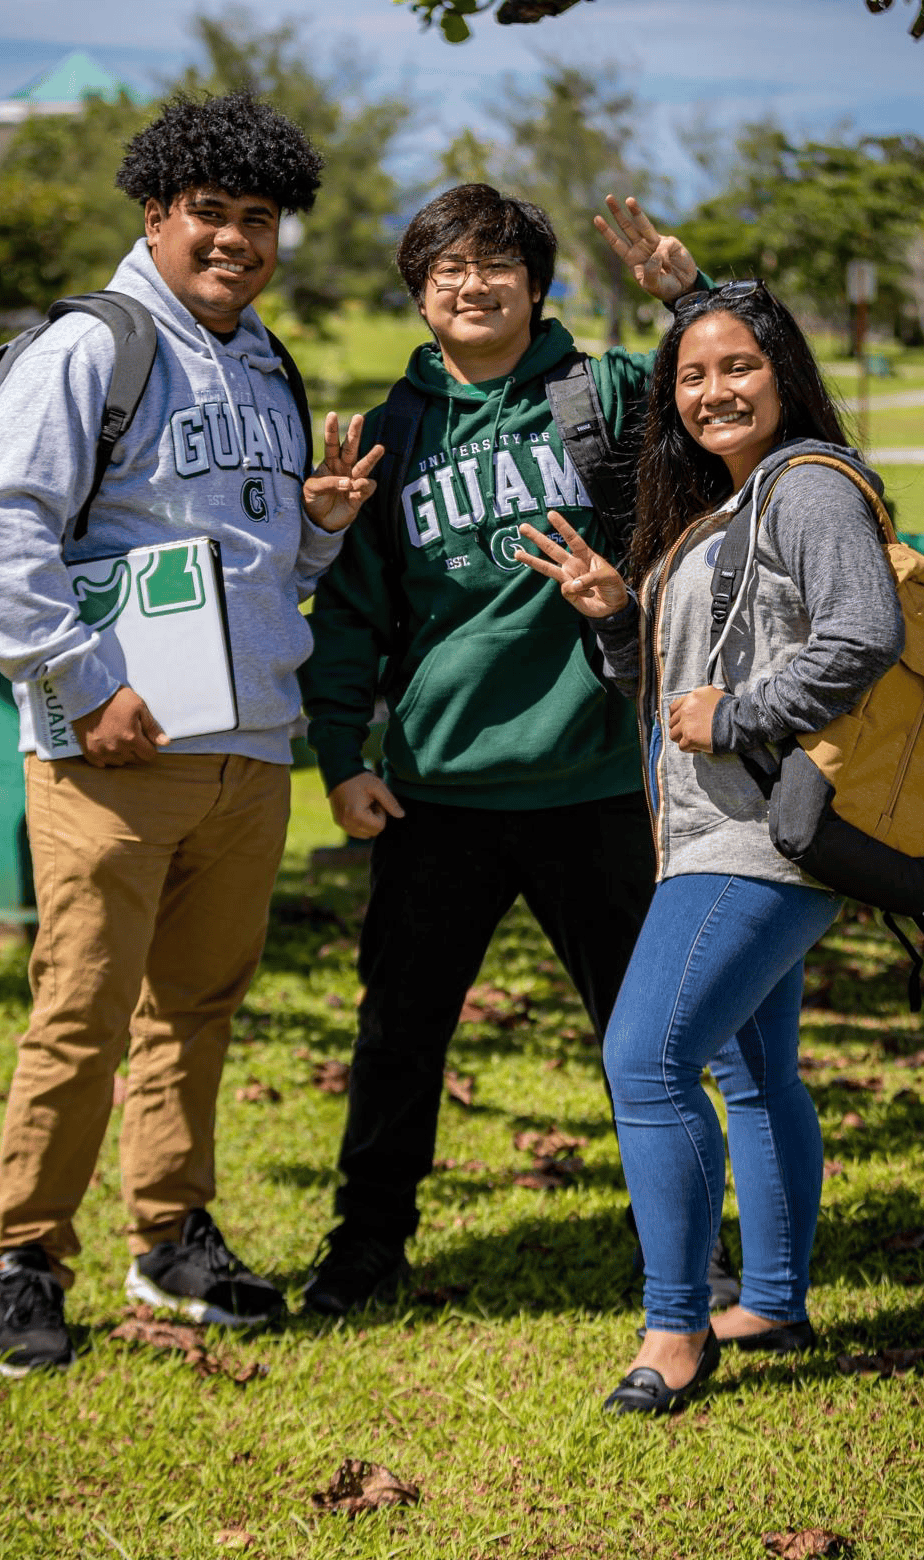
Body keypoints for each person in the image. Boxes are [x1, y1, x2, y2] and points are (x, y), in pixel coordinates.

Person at [0, 91, 381, 1376]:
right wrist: (84, 683)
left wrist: (320, 521)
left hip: (250, 752)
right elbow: (1, 533)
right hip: (113, 750)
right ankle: (28, 1260)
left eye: (260, 220)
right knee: (80, 1010)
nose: (239, 240)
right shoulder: (95, 344)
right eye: (214, 214)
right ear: (158, 213)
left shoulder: (263, 359)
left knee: (196, 1005)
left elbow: (256, 568)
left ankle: (169, 1235)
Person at [297, 183, 734, 1316]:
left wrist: (696, 298)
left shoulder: (614, 393)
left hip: (596, 780)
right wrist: (343, 755)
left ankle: (686, 1254)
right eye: (445, 270)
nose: (471, 284)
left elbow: (759, 412)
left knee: (648, 1038)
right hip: (436, 792)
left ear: (537, 286)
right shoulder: (391, 434)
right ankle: (367, 1246)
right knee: (398, 1033)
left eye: (496, 266)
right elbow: (350, 612)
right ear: (420, 293)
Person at [515, 280, 905, 1412]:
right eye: (691, 374)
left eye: (737, 365)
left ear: (783, 369)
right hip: (705, 830)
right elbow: (671, 689)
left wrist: (735, 712)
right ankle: (773, 1298)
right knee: (753, 1066)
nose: (712, 390)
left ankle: (675, 1326)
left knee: (645, 1059)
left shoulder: (809, 485)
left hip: (760, 837)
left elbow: (865, 633)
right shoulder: (721, 510)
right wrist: (618, 617)